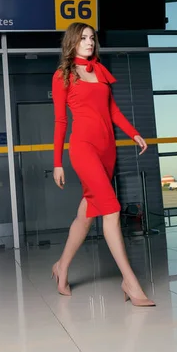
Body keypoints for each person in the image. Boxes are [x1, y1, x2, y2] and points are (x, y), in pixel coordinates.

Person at [50, 22, 155, 307]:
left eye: (92, 38)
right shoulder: (62, 76)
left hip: (107, 150)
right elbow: (61, 121)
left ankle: (61, 267)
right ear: (72, 41)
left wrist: (133, 132)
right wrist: (57, 162)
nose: (89, 42)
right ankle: (130, 281)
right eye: (83, 38)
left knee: (87, 214)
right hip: (83, 149)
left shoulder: (99, 71)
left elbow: (112, 111)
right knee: (112, 208)